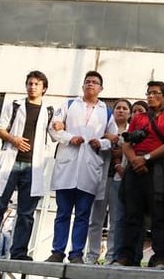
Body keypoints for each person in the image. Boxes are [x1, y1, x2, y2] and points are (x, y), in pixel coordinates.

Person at [0, 70, 55, 263]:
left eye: (36, 84)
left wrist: (62, 128)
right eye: (30, 83)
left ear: (44, 88)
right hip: (11, 162)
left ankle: (19, 252)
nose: (32, 87)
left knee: (26, 213)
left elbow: (54, 132)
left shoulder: (48, 110)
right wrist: (14, 139)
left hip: (33, 166)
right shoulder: (15, 105)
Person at [46, 71, 117, 264]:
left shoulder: (106, 111)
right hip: (67, 166)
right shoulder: (69, 104)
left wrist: (100, 143)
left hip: (89, 168)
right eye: (87, 82)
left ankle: (76, 253)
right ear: (83, 86)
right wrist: (70, 138)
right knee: (63, 213)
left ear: (101, 88)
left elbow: (113, 139)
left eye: (95, 82)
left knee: (83, 215)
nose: (90, 85)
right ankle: (57, 252)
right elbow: (53, 128)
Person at [114, 81, 164, 268]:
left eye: (155, 93)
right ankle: (126, 255)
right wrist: (135, 159)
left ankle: (160, 256)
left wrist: (147, 158)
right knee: (132, 213)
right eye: (148, 93)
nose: (150, 96)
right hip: (136, 168)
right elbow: (127, 142)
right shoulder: (138, 118)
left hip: (159, 168)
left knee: (159, 213)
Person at [85, 98, 131, 264]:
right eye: (118, 107)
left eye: (125, 108)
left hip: (119, 179)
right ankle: (92, 255)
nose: (121, 110)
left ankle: (112, 256)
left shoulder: (131, 131)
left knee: (116, 220)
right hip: (102, 177)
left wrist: (118, 141)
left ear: (129, 113)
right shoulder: (104, 128)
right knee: (95, 219)